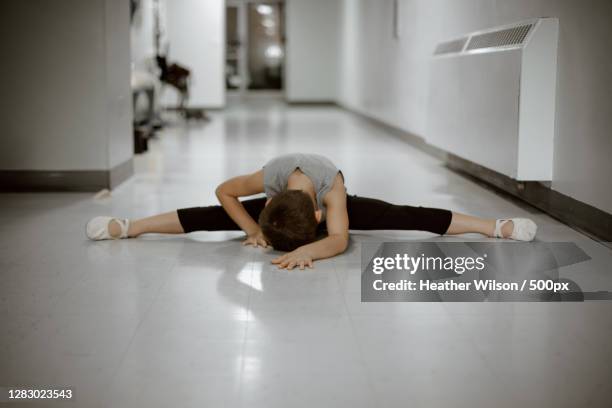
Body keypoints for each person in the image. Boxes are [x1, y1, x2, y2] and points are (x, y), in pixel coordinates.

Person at [86, 153, 537, 270]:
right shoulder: (267, 182)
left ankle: (494, 227)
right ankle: (130, 227)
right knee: (211, 216)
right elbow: (223, 192)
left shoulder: (332, 193)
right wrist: (252, 227)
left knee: (400, 213)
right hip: (282, 202)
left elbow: (338, 239)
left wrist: (310, 253)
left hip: (329, 195)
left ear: (317, 217)